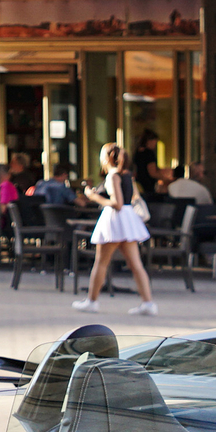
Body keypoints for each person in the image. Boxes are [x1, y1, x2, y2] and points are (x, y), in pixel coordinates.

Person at [73, 141, 158, 317]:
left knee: (101, 262)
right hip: (128, 220)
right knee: (136, 264)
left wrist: (93, 197)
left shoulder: (112, 176)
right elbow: (132, 197)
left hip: (115, 220)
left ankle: (92, 301)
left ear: (106, 158)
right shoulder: (127, 175)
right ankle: (148, 302)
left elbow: (117, 204)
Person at [130, 130, 165, 201]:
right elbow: (152, 173)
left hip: (139, 186)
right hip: (148, 187)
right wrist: (165, 178)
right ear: (149, 141)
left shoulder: (137, 153)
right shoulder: (149, 154)